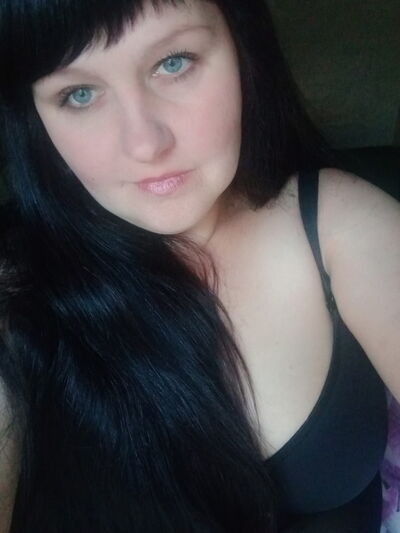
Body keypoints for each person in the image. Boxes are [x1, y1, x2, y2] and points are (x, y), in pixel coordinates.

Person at [0, 0, 398, 531]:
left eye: (174, 62)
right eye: (79, 94)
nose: (145, 144)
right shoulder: (16, 290)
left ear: (242, 49)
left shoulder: (338, 222)